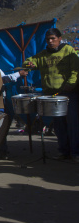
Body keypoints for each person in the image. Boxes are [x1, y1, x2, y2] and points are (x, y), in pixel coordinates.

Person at [24, 28, 79, 162]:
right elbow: (30, 61)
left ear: (60, 38)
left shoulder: (69, 51)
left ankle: (76, 153)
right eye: (48, 39)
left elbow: (76, 70)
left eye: (53, 38)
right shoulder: (43, 55)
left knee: (73, 123)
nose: (50, 41)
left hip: (69, 93)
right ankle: (63, 151)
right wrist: (29, 64)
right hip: (52, 95)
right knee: (59, 125)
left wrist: (70, 84)